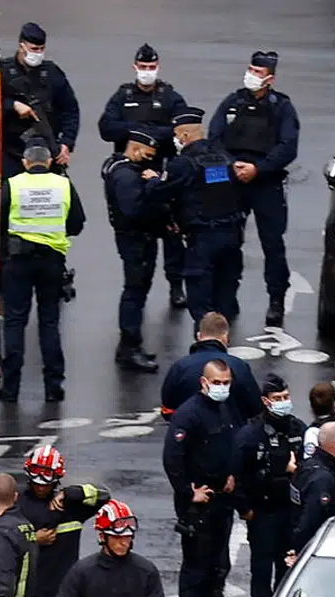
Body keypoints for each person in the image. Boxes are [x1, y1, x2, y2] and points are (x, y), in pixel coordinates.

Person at [208, 52, 300, 327]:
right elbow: (214, 137)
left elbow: (288, 147)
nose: (251, 75)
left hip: (265, 182)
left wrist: (258, 169)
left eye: (257, 72)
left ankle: (276, 300)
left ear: (270, 78)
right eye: (250, 69)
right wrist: (232, 164)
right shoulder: (233, 101)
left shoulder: (281, 107)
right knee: (227, 241)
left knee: (272, 245)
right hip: (233, 181)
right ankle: (226, 298)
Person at [97, 44, 189, 308]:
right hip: (130, 171)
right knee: (135, 229)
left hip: (162, 169)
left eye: (152, 67)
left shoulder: (169, 97)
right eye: (143, 67)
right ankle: (136, 286)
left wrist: (147, 135)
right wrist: (138, 130)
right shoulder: (123, 96)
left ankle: (176, 284)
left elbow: (180, 130)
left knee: (172, 232)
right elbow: (107, 127)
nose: (147, 72)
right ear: (135, 67)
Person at [164, 359, 243, 597]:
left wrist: (233, 474)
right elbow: (173, 457)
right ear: (204, 382)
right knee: (196, 568)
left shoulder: (226, 408)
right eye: (217, 382)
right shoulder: (189, 414)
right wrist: (188, 492)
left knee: (216, 565)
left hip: (222, 499)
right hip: (199, 503)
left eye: (227, 381)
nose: (223, 387)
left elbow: (232, 442)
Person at [0, 140, 86, 405]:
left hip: (18, 261)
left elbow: (0, 224)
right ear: (48, 161)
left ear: (25, 162)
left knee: (15, 322)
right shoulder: (63, 185)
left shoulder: (12, 185)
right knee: (49, 323)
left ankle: (10, 389)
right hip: (52, 261)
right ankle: (54, 387)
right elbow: (77, 224)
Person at [144, 108, 244, 323]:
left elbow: (158, 193)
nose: (175, 140)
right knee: (225, 299)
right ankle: (222, 343)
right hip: (231, 236)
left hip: (202, 239)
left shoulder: (183, 164)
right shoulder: (224, 157)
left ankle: (206, 347)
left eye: (176, 136)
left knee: (201, 303)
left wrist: (153, 179)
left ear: (184, 136)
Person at [232, 374, 306, 597]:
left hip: (291, 512)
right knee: (262, 569)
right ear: (266, 401)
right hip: (263, 512)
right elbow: (239, 474)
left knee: (288, 568)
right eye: (278, 398)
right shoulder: (251, 435)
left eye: (286, 397)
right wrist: (245, 509)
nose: (283, 401)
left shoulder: (298, 428)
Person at [18, 445, 110, 597]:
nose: (41, 487)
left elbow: (104, 495)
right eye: (36, 482)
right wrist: (33, 539)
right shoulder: (17, 503)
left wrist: (69, 493)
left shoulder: (71, 506)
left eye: (46, 483)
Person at [102, 129, 168, 372]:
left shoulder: (119, 167)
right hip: (136, 239)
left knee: (137, 291)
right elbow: (135, 209)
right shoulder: (127, 176)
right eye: (147, 154)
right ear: (135, 149)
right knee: (135, 292)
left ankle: (129, 345)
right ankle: (130, 347)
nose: (150, 159)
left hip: (135, 238)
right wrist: (154, 187)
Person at [0, 23, 79, 177]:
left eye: (42, 49)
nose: (38, 53)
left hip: (46, 152)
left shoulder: (51, 73)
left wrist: (66, 143)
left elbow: (70, 110)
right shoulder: (3, 72)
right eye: (34, 49)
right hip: (12, 153)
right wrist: (12, 105)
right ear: (22, 46)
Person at [159, 312, 261, 421]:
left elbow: (168, 409)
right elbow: (256, 408)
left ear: (199, 336)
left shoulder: (180, 367)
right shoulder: (239, 366)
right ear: (225, 337)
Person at [289, 421, 335, 564]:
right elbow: (310, 520)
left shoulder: (308, 466)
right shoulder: (322, 479)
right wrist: (301, 552)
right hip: (322, 551)